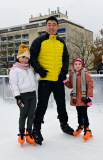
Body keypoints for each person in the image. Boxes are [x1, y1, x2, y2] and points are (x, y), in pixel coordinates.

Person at [29, 16, 74, 145]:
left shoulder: (61, 42)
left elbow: (66, 57)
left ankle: (64, 124)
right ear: (46, 26)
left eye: (54, 25)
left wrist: (64, 72)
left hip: (58, 80)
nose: (51, 27)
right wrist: (39, 70)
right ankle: (36, 129)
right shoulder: (39, 41)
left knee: (61, 104)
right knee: (42, 105)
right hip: (45, 80)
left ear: (57, 27)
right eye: (49, 24)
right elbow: (32, 57)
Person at [9, 44, 37, 146]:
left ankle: (28, 132)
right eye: (23, 57)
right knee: (23, 115)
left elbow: (34, 79)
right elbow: (13, 84)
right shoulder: (14, 69)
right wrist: (17, 97)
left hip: (33, 94)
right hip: (23, 95)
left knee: (31, 115)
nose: (25, 60)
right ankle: (21, 132)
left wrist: (41, 74)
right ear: (18, 57)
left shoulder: (29, 69)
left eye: (27, 58)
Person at [63, 58, 94, 141]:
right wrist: (65, 81)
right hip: (76, 98)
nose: (77, 66)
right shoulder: (72, 74)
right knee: (79, 113)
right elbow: (70, 85)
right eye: (76, 64)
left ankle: (87, 129)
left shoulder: (86, 74)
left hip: (84, 97)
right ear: (73, 65)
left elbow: (90, 85)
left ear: (82, 65)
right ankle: (80, 125)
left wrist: (89, 97)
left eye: (79, 64)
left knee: (84, 113)